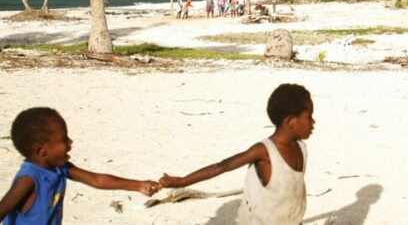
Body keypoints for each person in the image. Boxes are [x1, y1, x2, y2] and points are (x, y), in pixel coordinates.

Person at [160, 84, 314, 225]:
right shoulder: (265, 151)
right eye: (309, 117)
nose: (313, 122)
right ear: (291, 122)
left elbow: (289, 193)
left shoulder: (301, 148)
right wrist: (182, 181)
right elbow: (221, 166)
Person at [0, 108, 160, 224]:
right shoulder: (28, 179)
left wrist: (139, 185)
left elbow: (96, 180)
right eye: (64, 139)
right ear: (41, 149)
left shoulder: (59, 167)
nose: (70, 142)